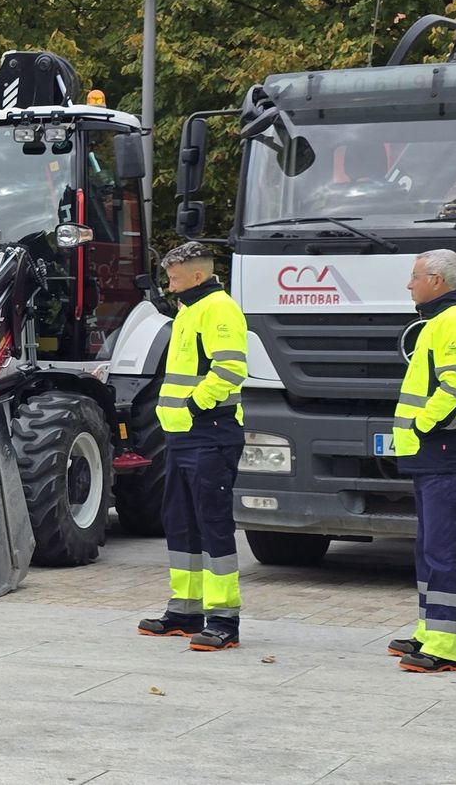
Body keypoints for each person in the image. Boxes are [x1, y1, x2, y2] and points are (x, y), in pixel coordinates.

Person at [137, 241, 247, 651]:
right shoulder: (190, 309)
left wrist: (194, 406)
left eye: (174, 278)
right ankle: (185, 611)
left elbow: (230, 369)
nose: (169, 286)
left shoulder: (218, 308)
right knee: (181, 522)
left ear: (197, 276)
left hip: (209, 433)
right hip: (183, 435)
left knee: (213, 525)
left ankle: (223, 620)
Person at [387, 250, 456, 674]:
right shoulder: (440, 321)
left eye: (414, 276)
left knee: (446, 549)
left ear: (437, 280)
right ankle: (430, 631)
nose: (409, 284)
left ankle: (445, 646)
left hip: (447, 450)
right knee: (431, 548)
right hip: (435, 452)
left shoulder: (455, 322)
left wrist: (423, 426)